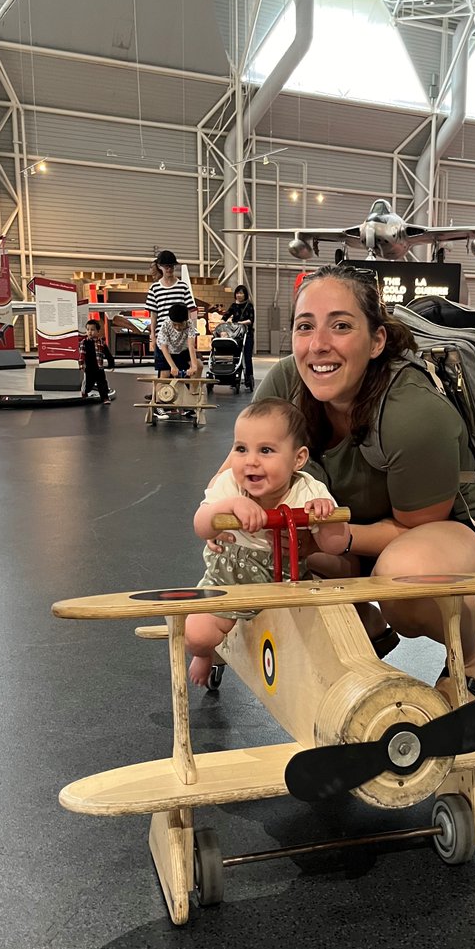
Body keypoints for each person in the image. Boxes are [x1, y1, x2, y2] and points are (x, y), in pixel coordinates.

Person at [250, 264, 475, 705]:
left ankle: (467, 659)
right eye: (305, 326)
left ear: (376, 340)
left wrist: (335, 539)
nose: (319, 345)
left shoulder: (411, 412)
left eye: (341, 326)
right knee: (275, 552)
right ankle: (367, 627)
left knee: (399, 581)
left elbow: (413, 526)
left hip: (455, 534)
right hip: (354, 529)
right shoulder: (286, 382)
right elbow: (239, 470)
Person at [185, 398, 350, 686]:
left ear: (298, 459)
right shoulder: (230, 485)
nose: (251, 460)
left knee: (327, 635)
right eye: (240, 449)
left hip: (287, 585)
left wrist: (329, 518)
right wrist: (229, 507)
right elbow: (200, 525)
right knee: (197, 635)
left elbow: (335, 545)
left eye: (266, 450)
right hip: (228, 581)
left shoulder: (309, 491)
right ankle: (208, 654)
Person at [146, 250, 201, 380]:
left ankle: (191, 394)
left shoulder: (183, 286)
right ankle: (160, 397)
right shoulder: (154, 288)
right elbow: (154, 314)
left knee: (195, 366)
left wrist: (189, 331)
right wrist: (153, 335)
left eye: (171, 266)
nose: (169, 269)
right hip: (163, 334)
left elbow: (189, 311)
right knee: (164, 372)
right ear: (160, 267)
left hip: (181, 335)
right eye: (166, 266)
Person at [223, 284, 255, 390]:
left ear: (245, 295)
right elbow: (226, 316)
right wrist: (222, 323)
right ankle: (234, 378)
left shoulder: (249, 305)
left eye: (241, 293)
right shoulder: (233, 306)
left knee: (247, 358)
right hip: (236, 335)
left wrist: (240, 323)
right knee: (235, 357)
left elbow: (251, 320)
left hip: (247, 334)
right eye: (237, 293)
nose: (239, 295)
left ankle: (248, 379)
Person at [78, 319, 115, 405]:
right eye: (88, 330)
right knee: (88, 384)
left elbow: (108, 354)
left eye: (92, 330)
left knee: (102, 383)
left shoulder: (101, 343)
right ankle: (84, 393)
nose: (90, 332)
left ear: (98, 331)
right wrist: (81, 364)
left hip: (99, 368)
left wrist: (111, 364)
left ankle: (105, 397)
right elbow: (82, 354)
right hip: (89, 369)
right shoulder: (84, 342)